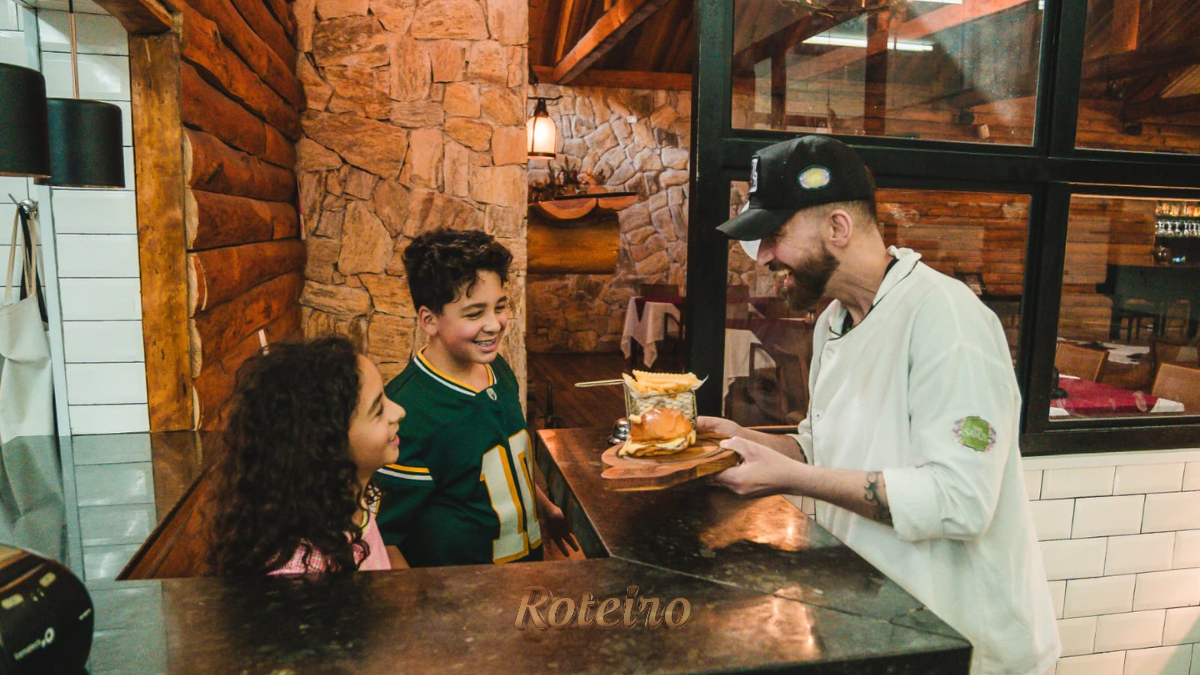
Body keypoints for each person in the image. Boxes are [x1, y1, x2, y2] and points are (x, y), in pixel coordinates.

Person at [705, 136, 1060, 675]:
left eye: (775, 235)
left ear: (838, 229)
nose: (766, 257)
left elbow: (959, 501)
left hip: (964, 644)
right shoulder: (834, 322)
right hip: (881, 627)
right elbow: (822, 448)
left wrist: (789, 479)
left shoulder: (947, 320)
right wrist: (742, 442)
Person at [375, 228, 575, 566]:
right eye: (474, 313)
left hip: (525, 579)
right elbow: (386, 538)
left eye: (499, 307)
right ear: (429, 320)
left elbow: (510, 462)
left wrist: (545, 509)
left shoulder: (500, 371)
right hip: (461, 603)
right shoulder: (405, 412)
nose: (494, 324)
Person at [208, 335, 408, 575]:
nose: (399, 411)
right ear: (329, 445)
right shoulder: (302, 571)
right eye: (378, 410)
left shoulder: (348, 500)